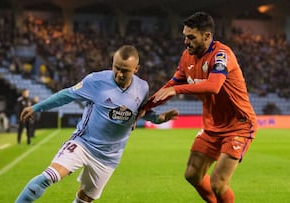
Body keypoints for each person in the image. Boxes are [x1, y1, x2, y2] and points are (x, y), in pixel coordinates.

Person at [15, 45, 179, 203]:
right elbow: (66, 95)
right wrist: (37, 107)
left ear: (136, 69)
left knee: (85, 199)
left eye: (125, 71)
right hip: (83, 144)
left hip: (109, 157)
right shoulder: (96, 80)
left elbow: (140, 111)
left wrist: (159, 118)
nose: (119, 74)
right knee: (48, 177)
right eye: (117, 68)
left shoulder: (142, 87)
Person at [142, 12, 258, 203]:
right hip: (212, 125)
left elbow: (213, 86)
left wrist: (177, 90)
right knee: (192, 174)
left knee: (217, 184)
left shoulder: (222, 55)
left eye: (191, 37)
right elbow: (169, 87)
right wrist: (144, 108)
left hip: (239, 125)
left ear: (207, 36)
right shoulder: (187, 56)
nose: (186, 42)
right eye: (185, 36)